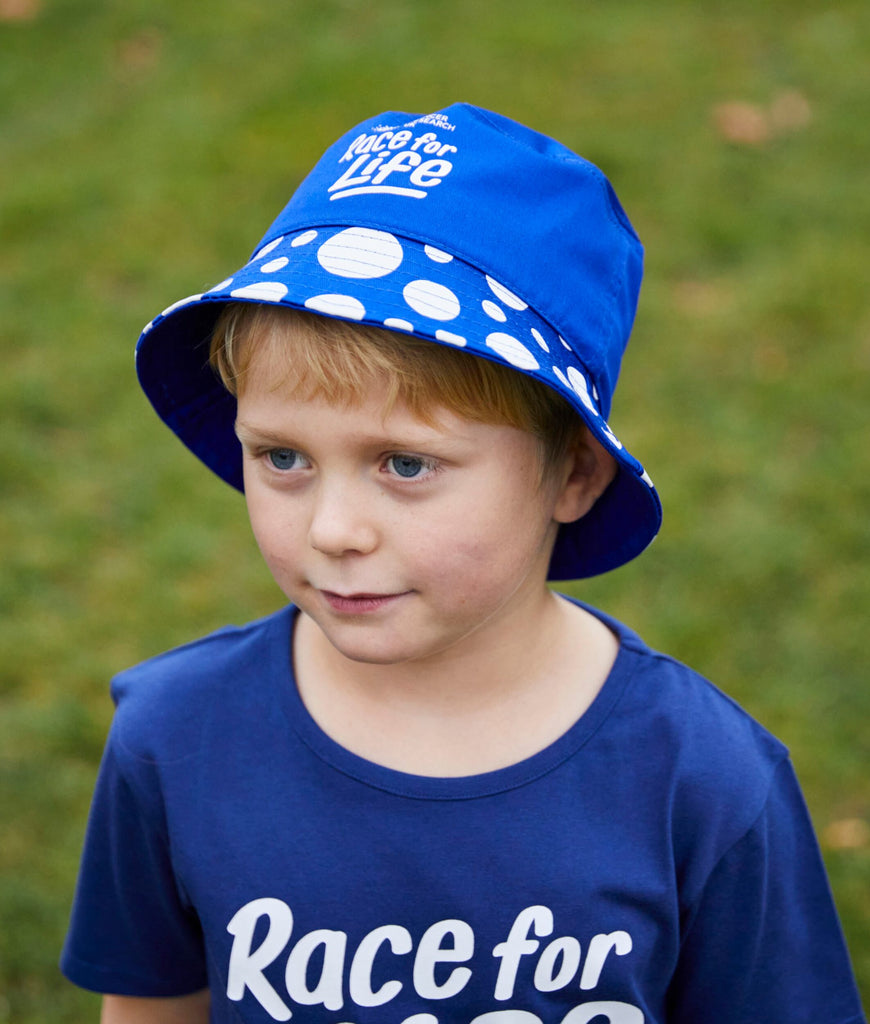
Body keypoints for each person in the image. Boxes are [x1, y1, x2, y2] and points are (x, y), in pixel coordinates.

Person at [61, 104, 865, 1024]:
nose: (332, 529)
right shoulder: (174, 738)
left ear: (571, 474)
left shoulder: (705, 782)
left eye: (405, 464)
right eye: (282, 458)